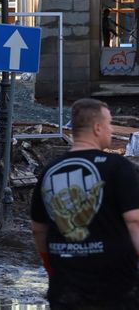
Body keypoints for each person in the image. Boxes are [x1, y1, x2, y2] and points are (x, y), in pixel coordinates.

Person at [30, 98, 139, 308]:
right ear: (97, 128)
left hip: (65, 289)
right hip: (115, 288)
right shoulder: (118, 167)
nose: (110, 129)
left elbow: (37, 229)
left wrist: (51, 269)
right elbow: (134, 221)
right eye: (109, 124)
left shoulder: (50, 169)